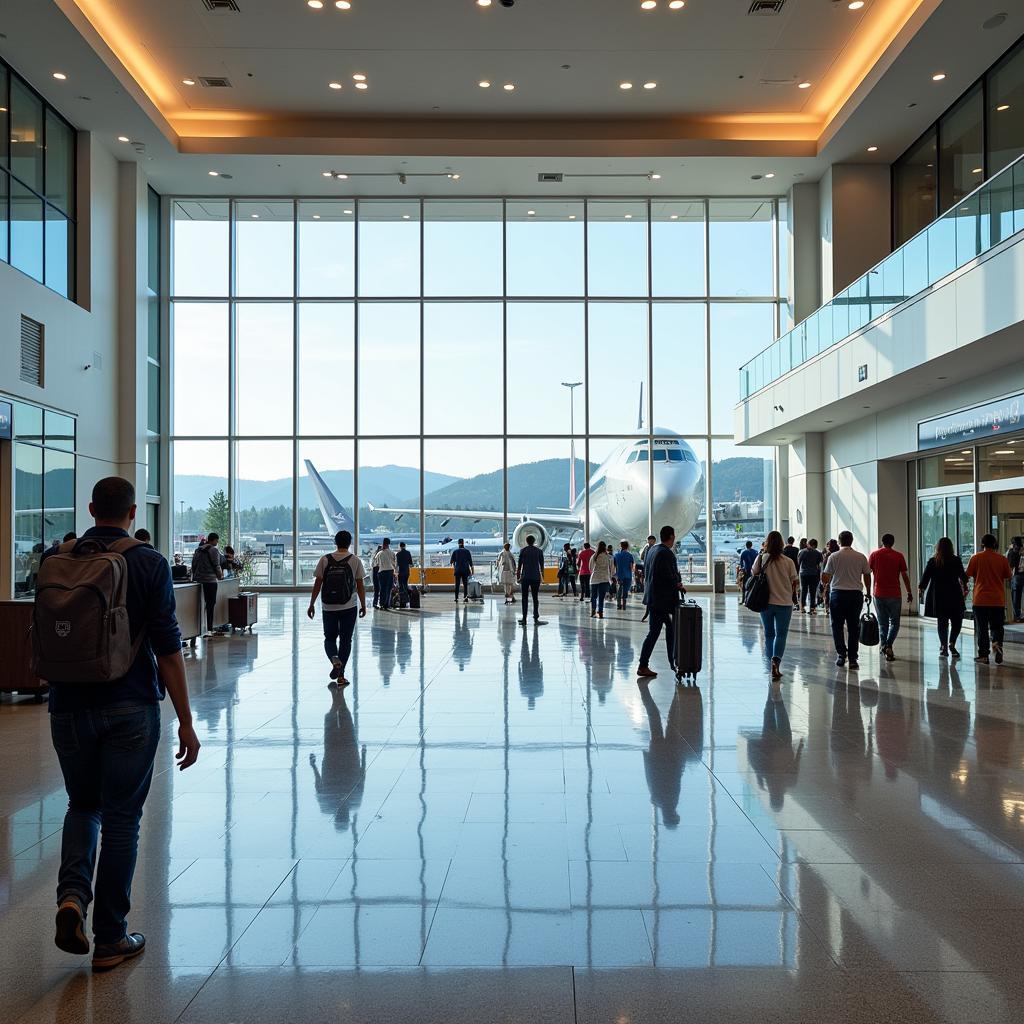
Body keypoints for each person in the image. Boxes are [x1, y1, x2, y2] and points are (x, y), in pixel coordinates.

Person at [45, 477, 200, 971]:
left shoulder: (58, 558)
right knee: (122, 820)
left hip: (67, 704)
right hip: (129, 705)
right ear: (133, 512)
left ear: (92, 508)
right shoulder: (148, 562)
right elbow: (168, 648)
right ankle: (110, 936)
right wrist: (186, 722)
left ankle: (72, 897)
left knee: (81, 805)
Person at [307, 530, 367, 685]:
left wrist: (312, 603)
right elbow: (360, 585)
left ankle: (334, 660)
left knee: (329, 638)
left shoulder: (324, 559)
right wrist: (363, 605)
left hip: (328, 606)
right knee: (346, 640)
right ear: (349, 543)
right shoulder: (355, 560)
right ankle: (341, 676)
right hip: (349, 606)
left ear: (335, 542)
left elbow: (318, 584)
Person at [637, 525, 683, 678]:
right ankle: (664, 663)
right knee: (657, 632)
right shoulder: (666, 553)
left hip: (652, 598)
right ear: (671, 537)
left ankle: (670, 662)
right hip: (661, 600)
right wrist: (677, 584)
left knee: (665, 629)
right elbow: (668, 576)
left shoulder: (652, 550)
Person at [751, 531, 799, 681]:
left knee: (769, 634)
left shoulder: (762, 558)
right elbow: (795, 581)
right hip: (784, 603)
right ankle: (776, 662)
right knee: (781, 634)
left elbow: (753, 573)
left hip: (765, 602)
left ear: (767, 543)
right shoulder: (788, 561)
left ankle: (769, 660)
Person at [821, 531, 870, 670]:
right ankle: (853, 658)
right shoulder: (860, 557)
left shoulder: (833, 557)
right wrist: (868, 591)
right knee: (854, 626)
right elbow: (867, 575)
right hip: (855, 595)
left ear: (839, 541)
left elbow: (826, 577)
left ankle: (841, 655)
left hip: (838, 594)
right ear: (852, 540)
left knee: (837, 626)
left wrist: (824, 582)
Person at [966, 534, 1012, 665]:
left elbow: (968, 574)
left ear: (982, 544)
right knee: (997, 627)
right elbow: (1008, 576)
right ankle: (997, 644)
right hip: (997, 599)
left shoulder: (976, 558)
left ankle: (984, 655)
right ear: (995, 544)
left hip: (980, 599)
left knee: (982, 628)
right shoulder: (1002, 559)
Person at [919, 537, 968, 658]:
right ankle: (952, 642)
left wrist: (921, 590)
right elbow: (963, 577)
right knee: (957, 621)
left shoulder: (933, 561)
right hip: (954, 594)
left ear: (938, 547)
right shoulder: (956, 560)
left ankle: (944, 647)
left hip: (938, 595)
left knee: (942, 623)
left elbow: (925, 578)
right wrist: (965, 585)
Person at [868, 534, 914, 662]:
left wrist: (867, 590)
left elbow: (867, 572)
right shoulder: (898, 556)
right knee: (895, 623)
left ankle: (884, 646)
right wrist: (909, 591)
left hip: (879, 593)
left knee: (882, 623)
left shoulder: (874, 555)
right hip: (895, 594)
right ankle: (888, 645)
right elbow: (904, 575)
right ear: (893, 543)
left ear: (882, 542)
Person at [190, 532, 223, 638]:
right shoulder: (214, 550)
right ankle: (209, 629)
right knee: (210, 604)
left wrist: (193, 577)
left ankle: (200, 629)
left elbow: (193, 564)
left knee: (199, 605)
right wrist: (220, 576)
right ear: (213, 540)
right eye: (217, 541)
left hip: (199, 580)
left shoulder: (198, 550)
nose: (217, 543)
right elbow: (216, 565)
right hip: (210, 581)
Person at [516, 534, 545, 625]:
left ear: (527, 541)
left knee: (524, 598)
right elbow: (542, 565)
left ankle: (524, 619)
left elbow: (519, 566)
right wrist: (542, 576)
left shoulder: (523, 551)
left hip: (525, 577)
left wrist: (518, 577)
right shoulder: (539, 551)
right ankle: (536, 618)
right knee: (535, 598)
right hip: (535, 577)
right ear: (534, 541)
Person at [797, 538, 823, 614]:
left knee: (804, 590)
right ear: (815, 545)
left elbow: (799, 562)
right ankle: (812, 608)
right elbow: (820, 564)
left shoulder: (802, 552)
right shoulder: (818, 553)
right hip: (813, 574)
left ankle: (802, 608)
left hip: (804, 574)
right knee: (812, 591)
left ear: (809, 544)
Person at [589, 541, 613, 619]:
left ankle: (593, 611)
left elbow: (590, 568)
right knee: (601, 597)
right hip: (604, 579)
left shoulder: (594, 556)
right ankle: (600, 612)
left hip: (595, 578)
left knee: (594, 596)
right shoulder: (609, 557)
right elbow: (611, 569)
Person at [375, 538, 397, 612]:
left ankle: (381, 604)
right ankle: (387, 605)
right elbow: (395, 564)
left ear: (383, 543)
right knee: (389, 589)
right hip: (390, 572)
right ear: (389, 544)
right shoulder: (392, 553)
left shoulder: (379, 553)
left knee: (382, 589)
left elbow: (376, 564)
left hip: (381, 572)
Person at [613, 540, 635, 610]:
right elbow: (631, 567)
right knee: (625, 590)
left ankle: (618, 604)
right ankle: (624, 604)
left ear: (620, 546)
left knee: (619, 589)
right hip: (627, 575)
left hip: (619, 575)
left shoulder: (616, 555)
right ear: (627, 546)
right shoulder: (630, 555)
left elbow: (614, 566)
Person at [1007, 536, 1024, 622]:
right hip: (1021, 574)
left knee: (1016, 597)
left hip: (1016, 576)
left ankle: (1017, 616)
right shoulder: (1022, 551)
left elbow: (1010, 565)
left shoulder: (1012, 552)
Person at [782, 537, 800, 606]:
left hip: (785, 571)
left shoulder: (784, 550)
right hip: (795, 570)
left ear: (787, 541)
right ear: (793, 542)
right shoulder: (796, 550)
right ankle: (795, 601)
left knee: (786, 585)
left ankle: (787, 599)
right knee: (794, 586)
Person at [396, 541, 413, 608]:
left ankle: (402, 601)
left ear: (400, 546)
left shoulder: (398, 554)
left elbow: (396, 564)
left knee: (400, 586)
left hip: (401, 571)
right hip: (407, 572)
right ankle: (407, 599)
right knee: (405, 585)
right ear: (405, 546)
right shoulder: (408, 553)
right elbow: (410, 563)